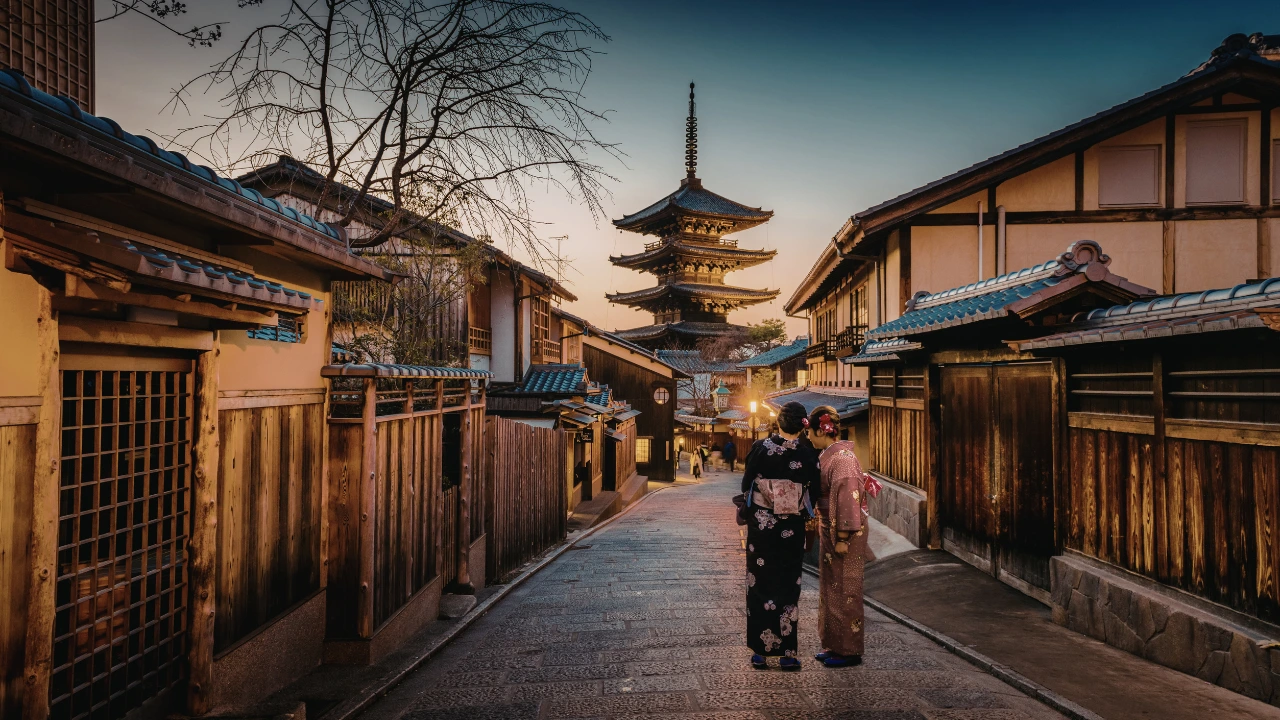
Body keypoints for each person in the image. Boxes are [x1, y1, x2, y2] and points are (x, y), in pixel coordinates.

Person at [741, 401, 818, 670]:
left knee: (759, 583)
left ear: (779, 422)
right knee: (787, 585)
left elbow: (746, 483)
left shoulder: (761, 448)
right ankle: (788, 653)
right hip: (791, 529)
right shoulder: (808, 453)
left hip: (762, 528)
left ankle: (760, 652)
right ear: (802, 425)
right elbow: (814, 490)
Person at [807, 406, 880, 668]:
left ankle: (849, 650)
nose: (809, 438)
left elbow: (848, 500)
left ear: (820, 430)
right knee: (831, 586)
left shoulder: (843, 460)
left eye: (810, 433)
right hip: (830, 527)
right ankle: (834, 644)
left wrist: (842, 537)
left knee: (846, 588)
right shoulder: (831, 456)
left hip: (844, 531)